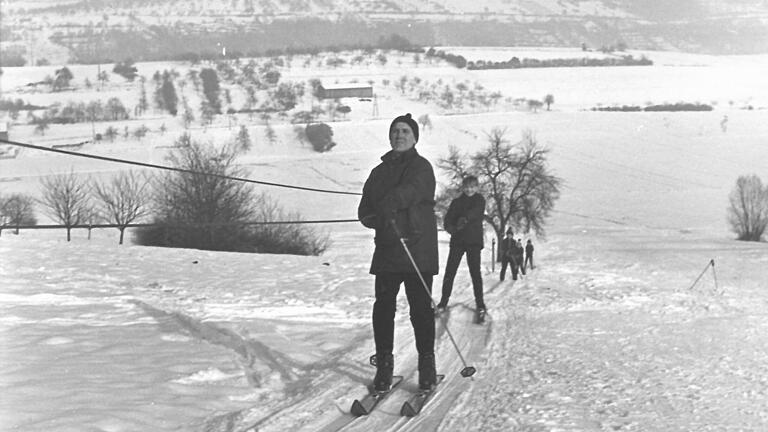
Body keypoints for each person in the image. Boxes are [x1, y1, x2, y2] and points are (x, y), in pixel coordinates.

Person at [357, 113, 439, 392]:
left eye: (405, 131)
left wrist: (388, 203)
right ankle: (384, 366)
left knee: (420, 311)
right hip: (388, 249)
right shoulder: (378, 173)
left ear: (415, 137)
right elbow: (366, 206)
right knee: (382, 309)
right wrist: (371, 217)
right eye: (395, 131)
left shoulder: (422, 168)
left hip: (417, 249)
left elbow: (412, 192)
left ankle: (427, 367)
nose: (399, 135)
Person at [436, 175, 486, 314]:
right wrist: (450, 228)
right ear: (463, 187)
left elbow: (475, 213)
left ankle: (480, 304)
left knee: (475, 273)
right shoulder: (456, 202)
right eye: (467, 187)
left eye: (472, 187)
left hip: (473, 241)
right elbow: (448, 219)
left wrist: (464, 219)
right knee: (450, 272)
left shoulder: (479, 200)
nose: (469, 189)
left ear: (476, 187)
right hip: (458, 241)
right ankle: (443, 301)